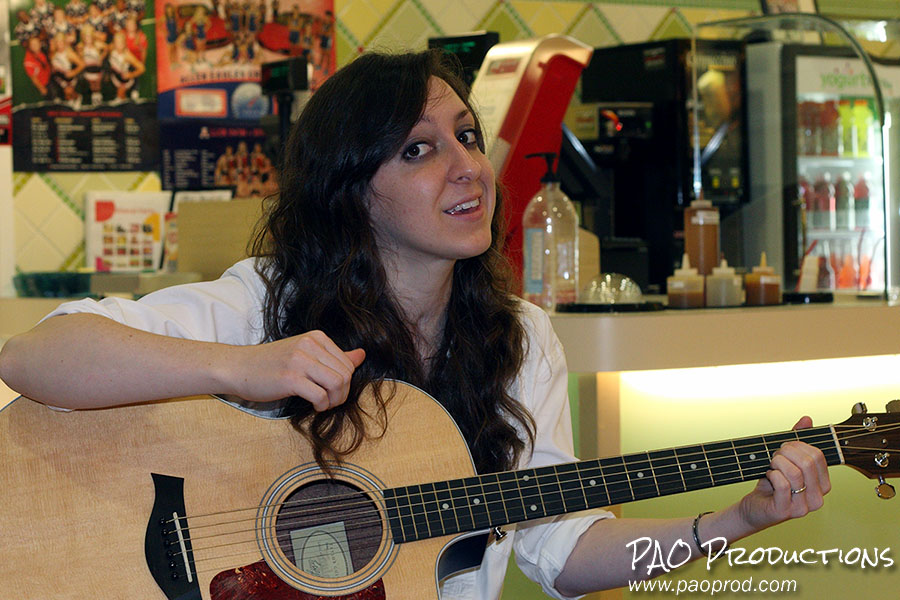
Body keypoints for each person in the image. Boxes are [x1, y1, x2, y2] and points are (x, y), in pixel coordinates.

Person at [0, 49, 830, 599]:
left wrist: (735, 523)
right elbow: (36, 356)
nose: (468, 165)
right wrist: (239, 369)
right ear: (352, 188)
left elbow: (561, 552)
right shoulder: (264, 303)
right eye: (418, 149)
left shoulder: (524, 338)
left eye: (467, 135)